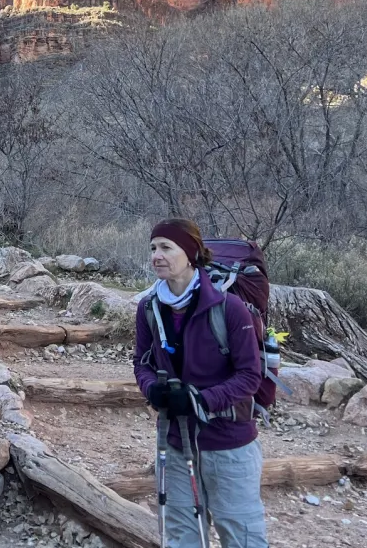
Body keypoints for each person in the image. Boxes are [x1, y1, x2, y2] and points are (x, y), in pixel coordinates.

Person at [133, 219, 269, 548]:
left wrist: (200, 401)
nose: (157, 255)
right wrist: (152, 389)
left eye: (166, 247)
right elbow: (141, 362)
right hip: (176, 443)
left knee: (242, 538)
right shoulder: (149, 308)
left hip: (229, 444)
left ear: (191, 253)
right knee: (181, 537)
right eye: (153, 248)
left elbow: (250, 375)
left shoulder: (230, 309)